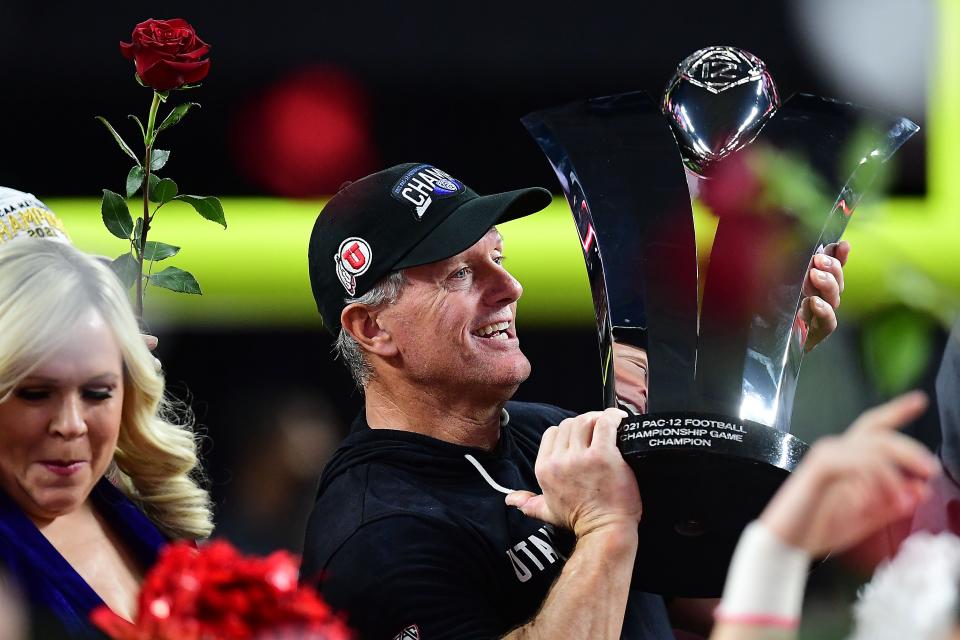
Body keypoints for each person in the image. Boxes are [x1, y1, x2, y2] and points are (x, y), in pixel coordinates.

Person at [300, 163, 847, 639]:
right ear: (372, 328)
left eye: (498, 255)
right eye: (461, 273)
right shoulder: (375, 535)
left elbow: (707, 584)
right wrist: (605, 527)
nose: (509, 286)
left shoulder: (548, 435)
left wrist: (771, 345)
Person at [0, 239, 213, 637]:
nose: (71, 423)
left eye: (97, 393)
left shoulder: (150, 511)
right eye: (35, 393)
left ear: (130, 394)